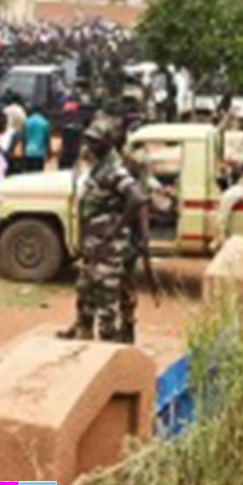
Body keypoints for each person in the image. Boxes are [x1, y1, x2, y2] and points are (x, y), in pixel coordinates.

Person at [60, 116, 145, 343]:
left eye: (95, 141)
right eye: (88, 140)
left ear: (107, 143)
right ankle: (83, 327)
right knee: (86, 285)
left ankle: (109, 335)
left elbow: (137, 198)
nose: (89, 145)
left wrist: (117, 229)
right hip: (94, 240)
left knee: (106, 289)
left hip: (108, 242)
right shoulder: (99, 165)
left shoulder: (114, 169)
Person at [21, 104, 51, 175]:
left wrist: (23, 151)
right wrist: (49, 151)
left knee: (28, 174)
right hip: (39, 153)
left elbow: (24, 138)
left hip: (28, 152)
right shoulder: (44, 122)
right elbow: (47, 138)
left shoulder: (27, 121)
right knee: (38, 175)